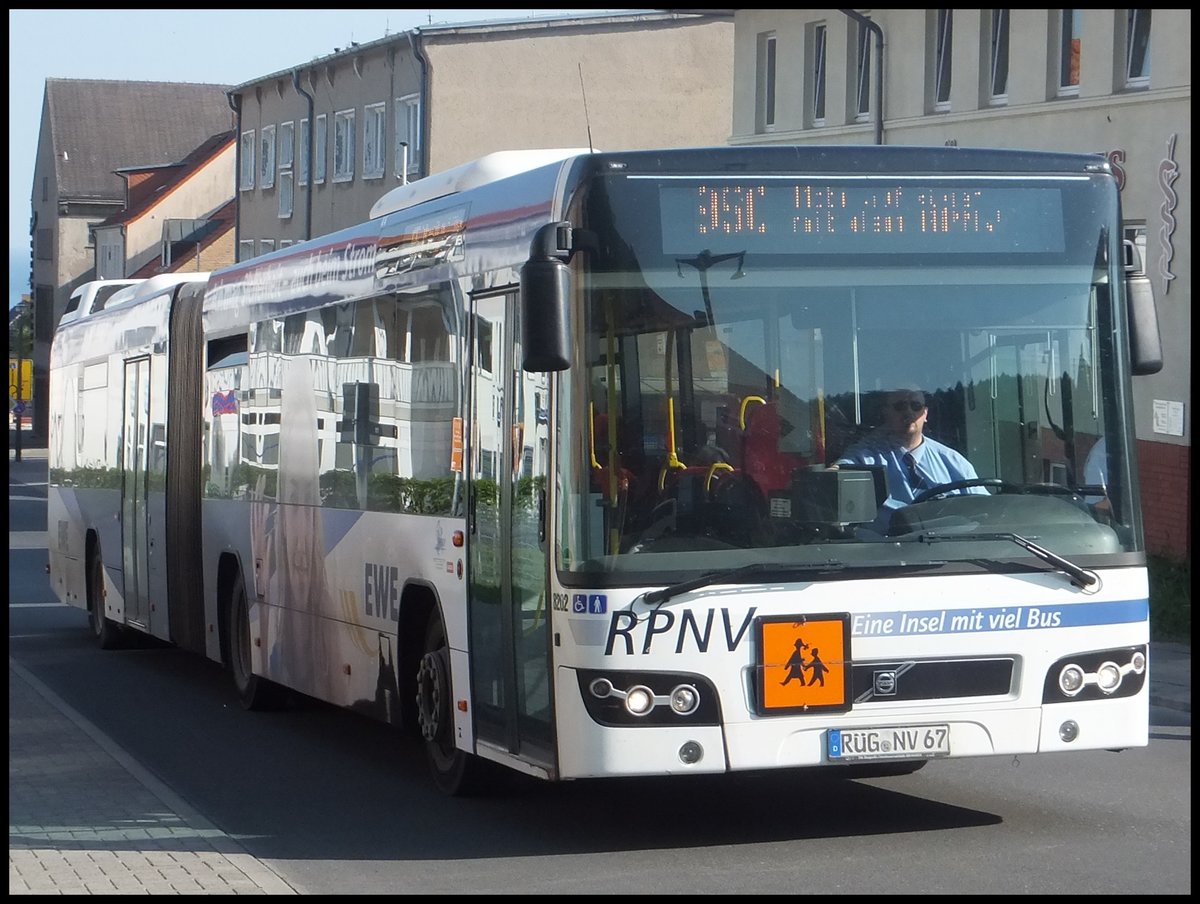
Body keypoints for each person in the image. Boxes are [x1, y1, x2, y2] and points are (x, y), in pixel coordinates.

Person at [832, 387, 987, 531]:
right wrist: (830, 474)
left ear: (925, 414)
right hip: (884, 551)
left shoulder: (953, 461)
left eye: (916, 406)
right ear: (886, 413)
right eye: (900, 406)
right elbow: (834, 477)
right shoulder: (865, 457)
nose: (908, 412)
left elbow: (986, 510)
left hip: (948, 550)